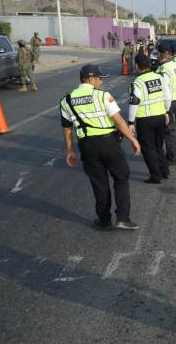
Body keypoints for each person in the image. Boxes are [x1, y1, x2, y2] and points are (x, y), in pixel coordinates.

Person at [59, 64, 141, 230]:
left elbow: (67, 129)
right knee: (121, 177)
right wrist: (133, 139)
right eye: (98, 79)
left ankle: (104, 220)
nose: (101, 82)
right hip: (108, 143)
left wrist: (70, 151)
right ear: (90, 79)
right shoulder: (102, 96)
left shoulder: (66, 100)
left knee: (99, 183)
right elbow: (118, 121)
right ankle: (123, 218)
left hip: (87, 146)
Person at [129, 54, 172, 184]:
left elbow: (134, 102)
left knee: (148, 149)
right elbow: (168, 96)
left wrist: (130, 122)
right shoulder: (159, 77)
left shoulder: (137, 82)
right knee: (159, 146)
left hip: (145, 120)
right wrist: (166, 111)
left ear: (137, 66)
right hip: (160, 116)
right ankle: (165, 172)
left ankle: (156, 176)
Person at [155, 43, 176, 165]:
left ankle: (172, 157)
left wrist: (165, 109)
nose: (157, 57)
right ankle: (172, 155)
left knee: (169, 131)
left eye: (158, 54)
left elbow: (165, 90)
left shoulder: (164, 69)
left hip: (169, 103)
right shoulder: (175, 65)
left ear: (163, 55)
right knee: (172, 130)